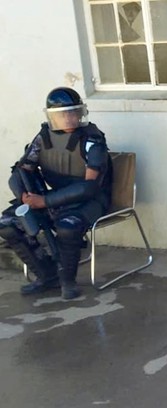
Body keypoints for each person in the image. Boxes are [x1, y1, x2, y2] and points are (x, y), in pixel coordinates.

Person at [0, 87, 112, 300]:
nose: (69, 118)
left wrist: (45, 201)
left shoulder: (92, 139)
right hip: (53, 199)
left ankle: (67, 281)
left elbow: (89, 186)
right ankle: (46, 275)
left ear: (81, 113)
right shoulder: (43, 138)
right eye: (63, 114)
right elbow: (20, 170)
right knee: (7, 222)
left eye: (73, 112)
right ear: (52, 117)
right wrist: (24, 196)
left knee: (67, 227)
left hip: (90, 201)